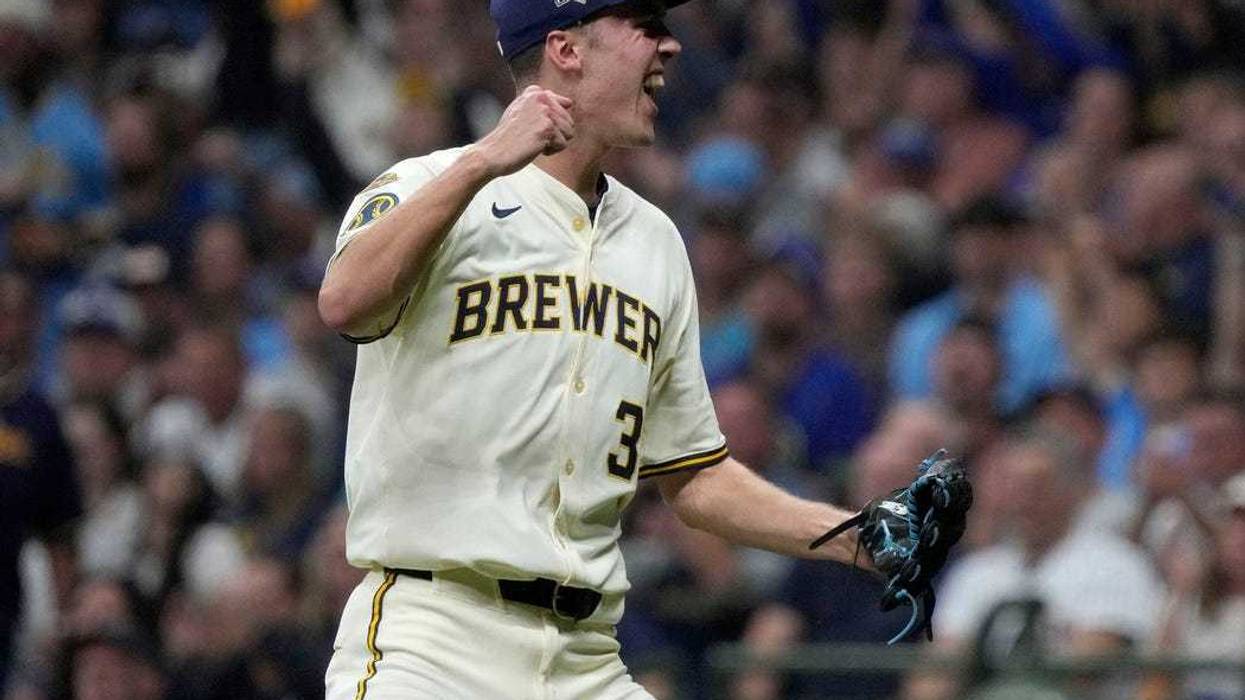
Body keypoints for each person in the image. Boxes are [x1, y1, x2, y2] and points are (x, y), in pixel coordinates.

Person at [316, 1, 904, 697]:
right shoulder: (429, 185)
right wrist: (483, 161)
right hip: (433, 640)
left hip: (585, 654)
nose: (670, 46)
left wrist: (856, 536)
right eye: (644, 26)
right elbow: (343, 301)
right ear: (566, 50)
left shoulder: (655, 241)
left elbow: (694, 474)